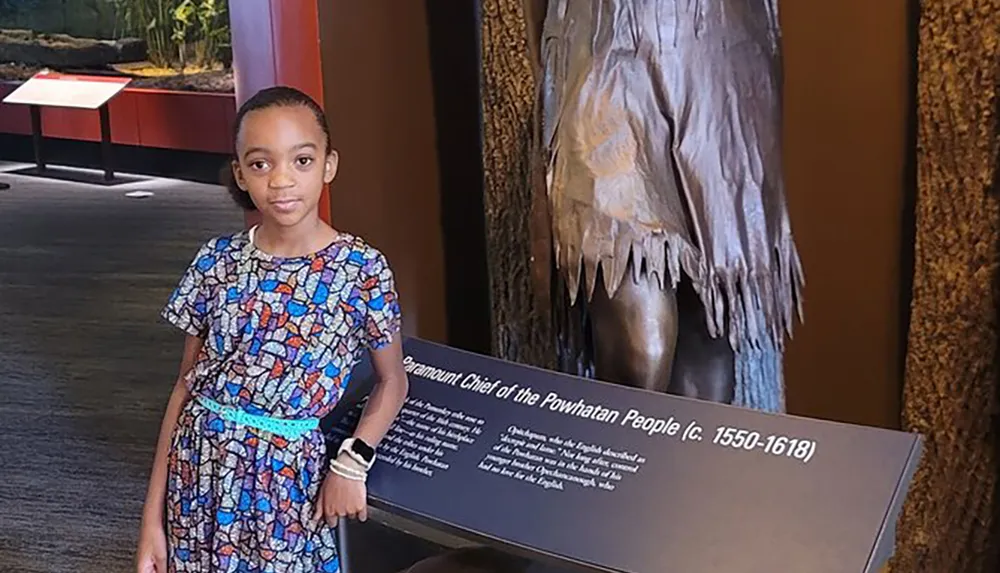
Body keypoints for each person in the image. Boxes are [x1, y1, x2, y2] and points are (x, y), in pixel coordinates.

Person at [135, 86, 409, 573]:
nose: (282, 181)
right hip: (199, 474)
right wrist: (151, 522)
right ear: (241, 173)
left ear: (329, 165)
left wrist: (352, 463)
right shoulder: (215, 260)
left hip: (287, 486)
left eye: (302, 160)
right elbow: (185, 387)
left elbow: (393, 380)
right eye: (261, 164)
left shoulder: (361, 268)